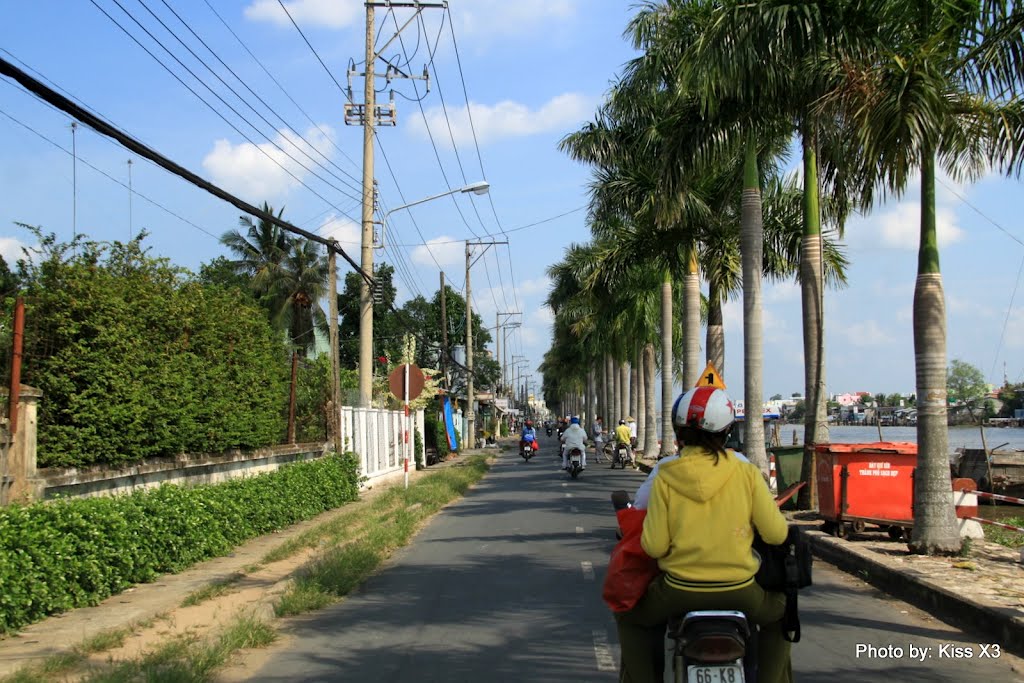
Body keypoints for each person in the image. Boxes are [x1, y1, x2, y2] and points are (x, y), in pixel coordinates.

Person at [615, 386, 792, 683]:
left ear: (679, 430)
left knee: (628, 616)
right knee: (781, 616)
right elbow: (775, 534)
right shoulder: (746, 472)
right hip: (742, 591)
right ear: (725, 430)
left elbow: (655, 546)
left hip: (677, 591)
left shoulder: (665, 474)